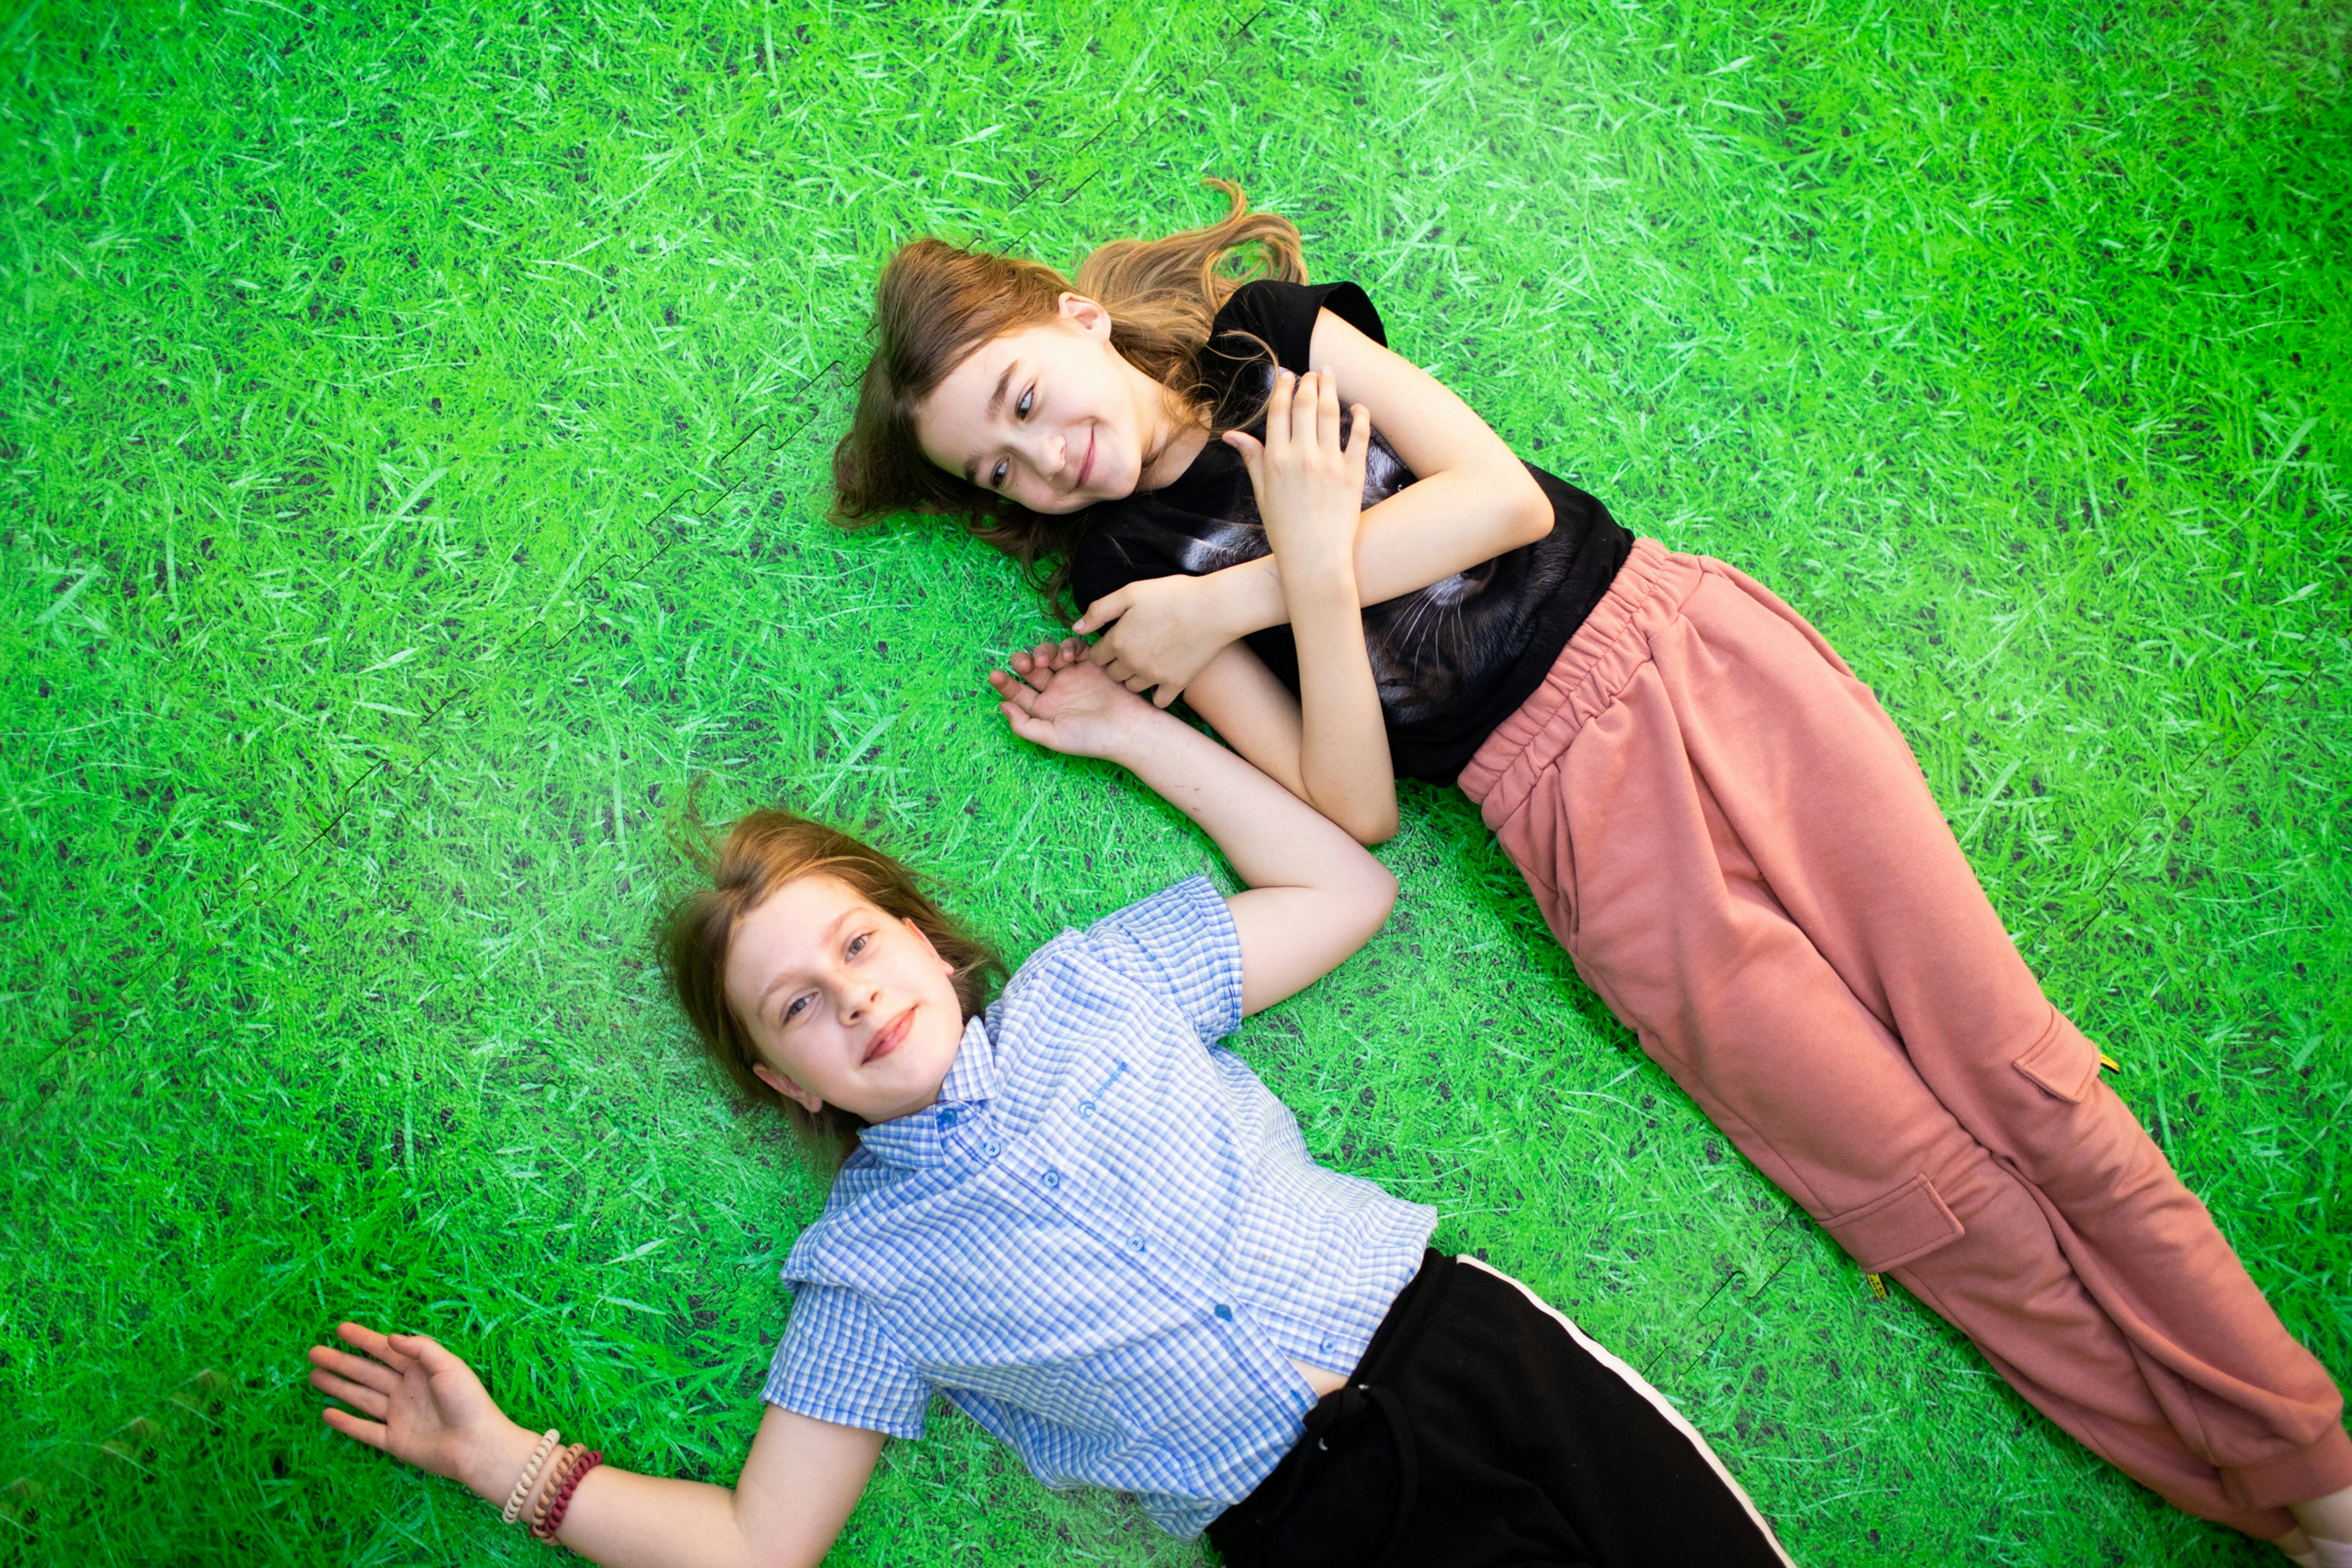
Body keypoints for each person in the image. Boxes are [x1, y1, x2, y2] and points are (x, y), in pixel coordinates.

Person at [828, 178, 2352, 1564]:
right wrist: (1220, 610)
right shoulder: (1124, 582)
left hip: (1692, 664)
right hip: (1556, 815)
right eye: (1000, 471)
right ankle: (2256, 1504)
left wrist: (1272, 570)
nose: (1042, 459)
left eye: (1024, 401)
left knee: (2023, 1083)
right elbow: (1350, 808)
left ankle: (2316, 1461)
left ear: (1077, 320)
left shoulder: (1268, 342)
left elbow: (1503, 505)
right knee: (1912, 1189)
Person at [308, 609, 1796, 1560]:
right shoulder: (868, 1279)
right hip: (1318, 1529)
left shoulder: (1102, 985)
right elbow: (764, 1545)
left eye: (857, 941)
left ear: (926, 943)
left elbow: (1339, 890)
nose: (854, 997)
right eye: (801, 1007)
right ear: (785, 1078)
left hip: (1465, 1350)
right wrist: (507, 1462)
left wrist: (1138, 732)